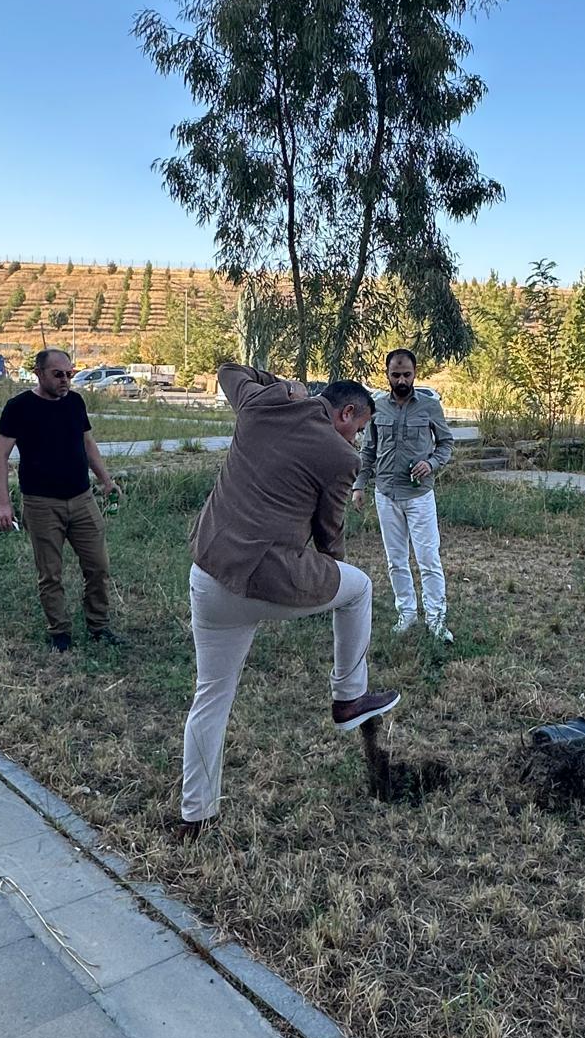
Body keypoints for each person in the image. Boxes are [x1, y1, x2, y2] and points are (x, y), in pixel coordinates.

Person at [178, 362, 401, 839]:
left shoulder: (260, 404)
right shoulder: (340, 457)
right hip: (265, 579)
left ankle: (196, 817)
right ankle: (349, 697)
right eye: (360, 428)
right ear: (345, 414)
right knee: (358, 588)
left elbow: (229, 371)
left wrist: (283, 385)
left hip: (208, 572)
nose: (358, 439)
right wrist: (328, 578)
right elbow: (329, 536)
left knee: (210, 698)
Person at [0, 348, 121, 651]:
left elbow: (88, 444)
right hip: (41, 504)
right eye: (58, 374)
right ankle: (59, 633)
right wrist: (3, 502)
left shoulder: (75, 402)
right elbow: (0, 457)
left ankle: (99, 627)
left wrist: (106, 481)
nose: (65, 380)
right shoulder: (18, 407)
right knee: (50, 573)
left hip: (82, 499)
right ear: (38, 373)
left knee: (98, 566)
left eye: (69, 374)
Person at [351, 348, 455, 640]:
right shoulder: (377, 408)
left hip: (419, 495)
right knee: (396, 560)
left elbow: (446, 444)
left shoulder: (429, 407)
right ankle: (406, 614)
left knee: (428, 559)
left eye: (406, 374)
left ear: (415, 373)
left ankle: (436, 620)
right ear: (387, 374)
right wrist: (359, 485)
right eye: (395, 375)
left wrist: (431, 463)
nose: (401, 380)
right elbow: (368, 450)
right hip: (386, 494)